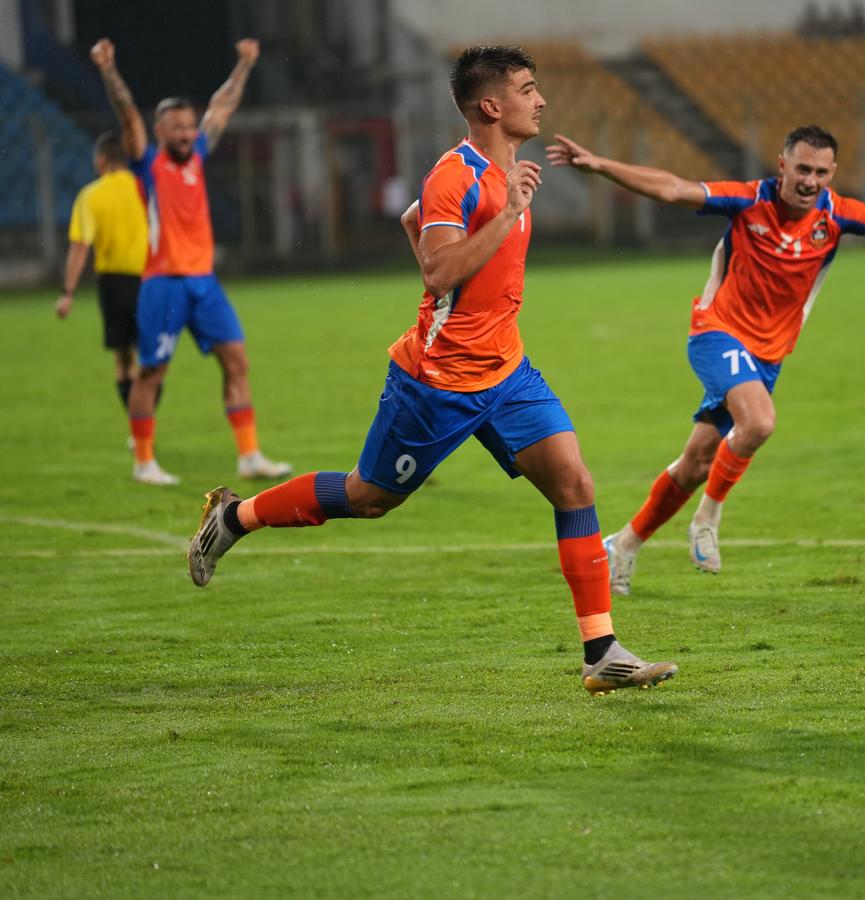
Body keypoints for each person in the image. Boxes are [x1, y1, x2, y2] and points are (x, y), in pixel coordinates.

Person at [185, 46, 677, 697]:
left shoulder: (505, 172)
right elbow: (439, 270)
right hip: (437, 382)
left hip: (507, 372)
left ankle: (601, 651)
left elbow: (415, 224)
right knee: (369, 497)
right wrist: (506, 216)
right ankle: (234, 516)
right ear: (491, 106)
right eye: (528, 89)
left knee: (575, 484)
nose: (541, 100)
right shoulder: (457, 175)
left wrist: (484, 221)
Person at [547, 124, 865, 595]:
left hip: (767, 357)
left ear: (832, 174)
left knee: (697, 461)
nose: (810, 181)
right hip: (716, 334)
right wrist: (601, 165)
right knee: (759, 422)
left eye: (821, 172)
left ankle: (623, 545)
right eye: (802, 169)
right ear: (782, 165)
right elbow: (674, 189)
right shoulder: (748, 200)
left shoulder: (838, 214)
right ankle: (707, 519)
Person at [90, 37, 290, 486]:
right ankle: (144, 461)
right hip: (164, 282)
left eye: (187, 126)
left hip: (204, 283)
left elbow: (222, 107)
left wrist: (244, 64)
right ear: (159, 132)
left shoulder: (197, 155)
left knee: (236, 362)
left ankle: (250, 455)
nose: (185, 133)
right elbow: (126, 111)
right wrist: (108, 69)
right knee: (151, 371)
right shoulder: (147, 164)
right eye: (176, 128)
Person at [55, 131, 150, 420]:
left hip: (114, 282)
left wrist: (68, 292)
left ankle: (137, 427)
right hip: (152, 278)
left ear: (101, 160)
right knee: (152, 358)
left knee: (123, 358)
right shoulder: (146, 187)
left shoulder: (91, 195)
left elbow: (80, 246)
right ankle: (147, 422)